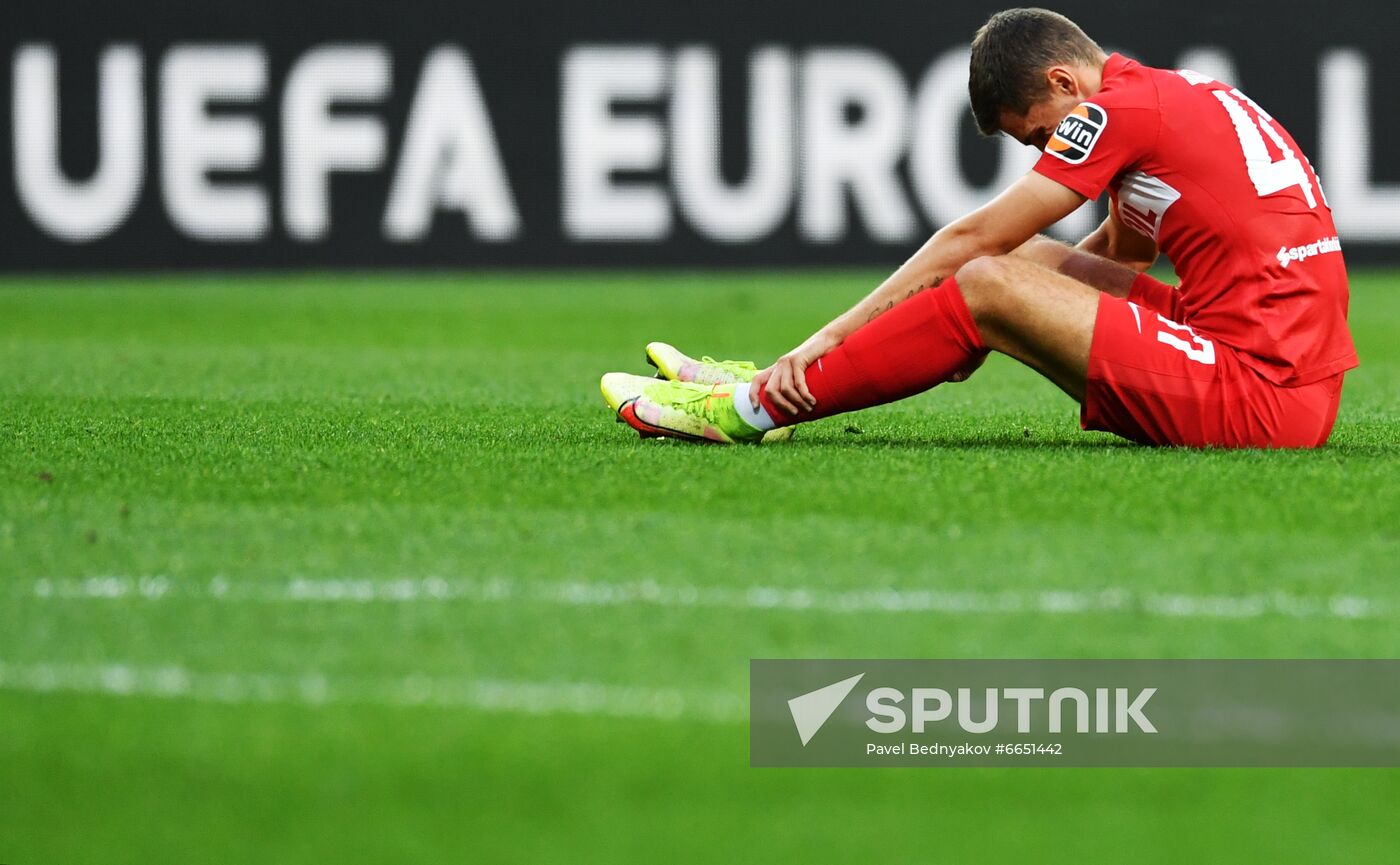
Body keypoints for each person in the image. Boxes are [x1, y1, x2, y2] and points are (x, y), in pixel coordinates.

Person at [600, 7, 1357, 448]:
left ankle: (755, 405)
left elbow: (971, 244)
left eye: (1037, 134)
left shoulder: (1113, 113)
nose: (1046, 150)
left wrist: (830, 336)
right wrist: (992, 319)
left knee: (989, 272)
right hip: (1270, 364)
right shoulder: (1168, 96)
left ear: (1064, 83)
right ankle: (775, 377)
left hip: (1263, 393)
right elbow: (1125, 253)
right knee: (1016, 266)